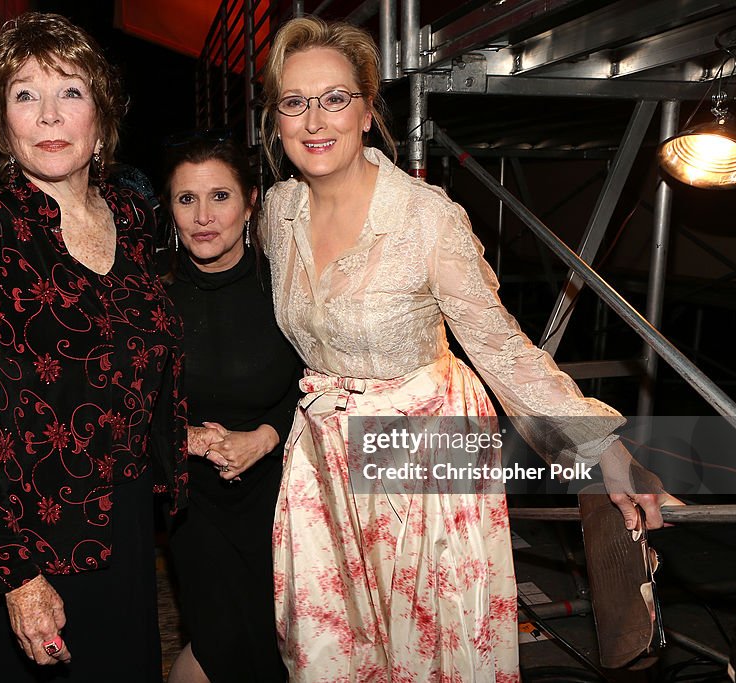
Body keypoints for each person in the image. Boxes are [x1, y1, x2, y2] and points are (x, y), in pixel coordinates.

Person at [258, 16, 673, 681]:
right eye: (294, 101)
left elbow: (500, 348)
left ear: (367, 110)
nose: (314, 118)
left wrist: (603, 449)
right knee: (329, 653)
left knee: (429, 654)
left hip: (427, 456)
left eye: (335, 98)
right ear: (276, 117)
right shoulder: (277, 213)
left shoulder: (428, 219)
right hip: (326, 461)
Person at [0, 12, 187, 682]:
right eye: (24, 95)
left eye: (69, 92)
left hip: (126, 522)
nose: (49, 115)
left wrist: (181, 441)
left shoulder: (132, 221)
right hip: (28, 531)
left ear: (100, 117)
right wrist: (16, 575)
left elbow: (145, 359)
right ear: (1, 123)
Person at [162, 133, 300, 683]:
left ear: (249, 204)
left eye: (219, 197)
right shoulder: (151, 296)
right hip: (196, 506)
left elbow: (319, 384)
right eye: (185, 199)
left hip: (280, 494)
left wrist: (264, 436)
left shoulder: (287, 287)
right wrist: (186, 436)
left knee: (277, 646)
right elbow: (124, 404)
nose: (202, 216)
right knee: (218, 641)